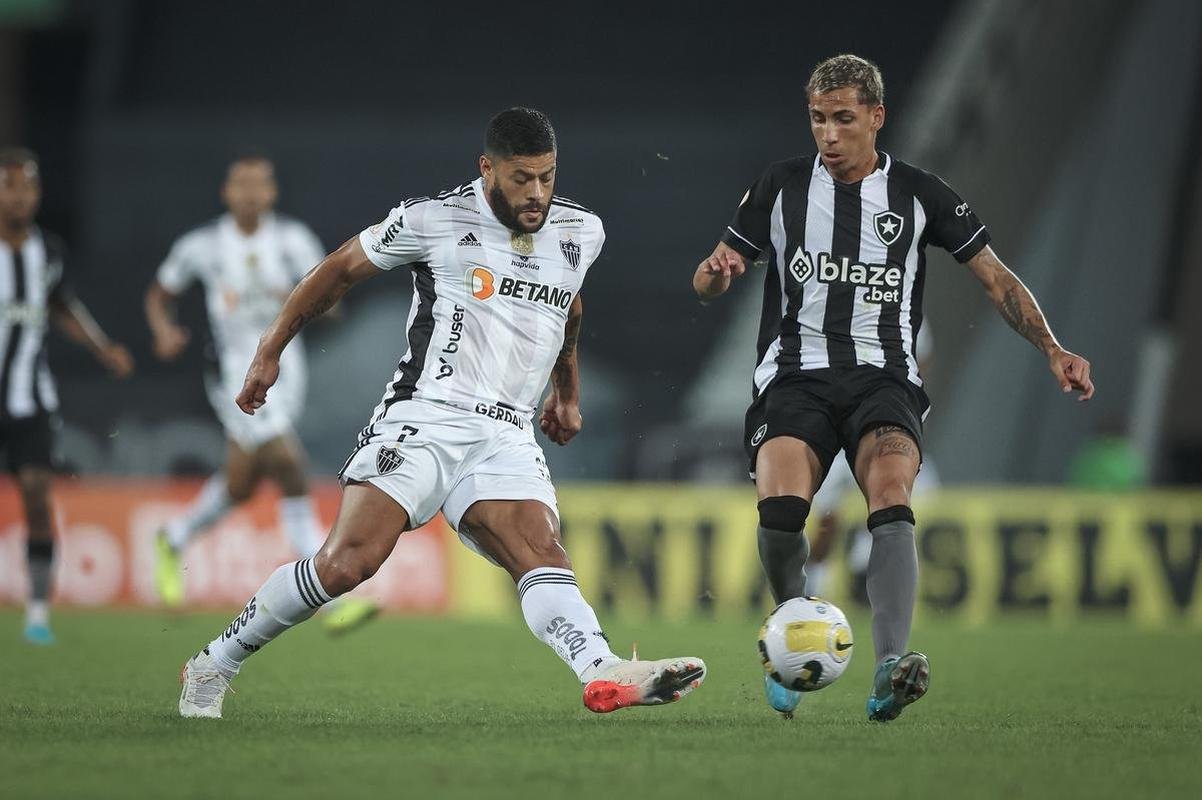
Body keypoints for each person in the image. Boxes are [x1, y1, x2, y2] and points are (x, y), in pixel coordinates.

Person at [176, 108, 706, 719]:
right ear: (488, 169)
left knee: (542, 553)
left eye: (547, 177)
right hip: (428, 416)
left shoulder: (581, 231)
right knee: (346, 565)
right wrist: (270, 350)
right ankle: (214, 663)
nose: (536, 193)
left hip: (506, 432)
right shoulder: (433, 219)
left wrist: (566, 392)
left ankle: (602, 669)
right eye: (521, 178)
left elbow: (569, 306)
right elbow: (338, 270)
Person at [692, 55, 1094, 722]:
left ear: (876, 117)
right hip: (795, 375)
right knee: (782, 508)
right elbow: (708, 281)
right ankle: (790, 635)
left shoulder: (919, 193)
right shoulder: (781, 186)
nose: (829, 135)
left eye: (844, 119)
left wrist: (1052, 348)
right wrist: (716, 273)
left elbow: (995, 278)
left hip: (885, 379)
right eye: (818, 119)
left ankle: (889, 668)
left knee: (890, 494)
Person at [145, 155, 376, 633]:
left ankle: (174, 537)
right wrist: (164, 330)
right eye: (241, 185)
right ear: (226, 192)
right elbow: (159, 294)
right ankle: (328, 593)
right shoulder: (202, 246)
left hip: (288, 369)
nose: (250, 194)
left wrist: (326, 307)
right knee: (289, 464)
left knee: (241, 484)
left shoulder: (292, 240)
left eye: (259, 185)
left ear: (272, 193)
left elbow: (327, 288)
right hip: (233, 370)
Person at [0, 147, 134, 644]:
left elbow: (61, 305)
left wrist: (102, 347)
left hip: (30, 398)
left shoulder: (49, 252)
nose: (20, 196)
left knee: (37, 495)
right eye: (10, 186)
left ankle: (37, 613)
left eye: (28, 187)